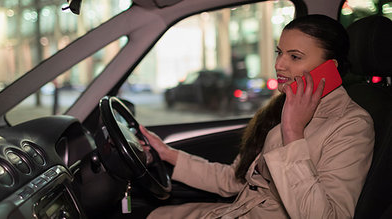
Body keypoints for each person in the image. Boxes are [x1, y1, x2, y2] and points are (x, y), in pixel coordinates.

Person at [141, 14, 374, 218]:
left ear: (330, 68)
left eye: (295, 57)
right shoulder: (283, 106)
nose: (279, 64)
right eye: (279, 52)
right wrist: (167, 154)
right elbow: (234, 181)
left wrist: (293, 132)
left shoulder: (351, 125)